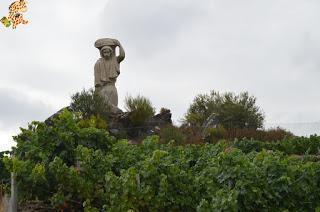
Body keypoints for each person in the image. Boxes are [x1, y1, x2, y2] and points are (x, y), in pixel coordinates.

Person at [94, 38, 125, 113]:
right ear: (102, 53)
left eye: (108, 51)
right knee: (104, 110)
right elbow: (97, 81)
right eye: (104, 52)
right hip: (102, 90)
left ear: (111, 52)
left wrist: (119, 44)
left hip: (112, 88)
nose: (106, 53)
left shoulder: (114, 61)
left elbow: (122, 55)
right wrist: (96, 92)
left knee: (113, 113)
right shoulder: (98, 63)